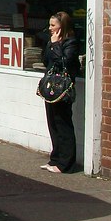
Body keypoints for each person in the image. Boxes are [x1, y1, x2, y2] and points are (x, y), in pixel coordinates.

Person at [41, 11, 79, 174]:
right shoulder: (53, 41)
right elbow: (45, 60)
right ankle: (55, 158)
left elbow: (65, 62)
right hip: (51, 87)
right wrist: (51, 44)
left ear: (62, 26)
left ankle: (66, 163)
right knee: (53, 124)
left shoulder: (71, 42)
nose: (50, 28)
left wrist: (56, 45)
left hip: (63, 89)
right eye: (49, 25)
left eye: (53, 25)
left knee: (63, 124)